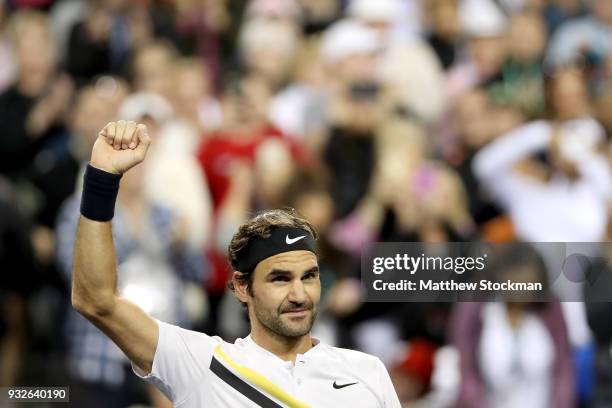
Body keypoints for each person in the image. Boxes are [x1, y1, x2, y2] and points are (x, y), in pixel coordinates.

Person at [71, 121, 402, 407]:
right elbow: (96, 301)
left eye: (309, 276)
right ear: (243, 287)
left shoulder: (367, 371)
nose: (299, 294)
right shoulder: (201, 364)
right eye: (280, 279)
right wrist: (102, 177)